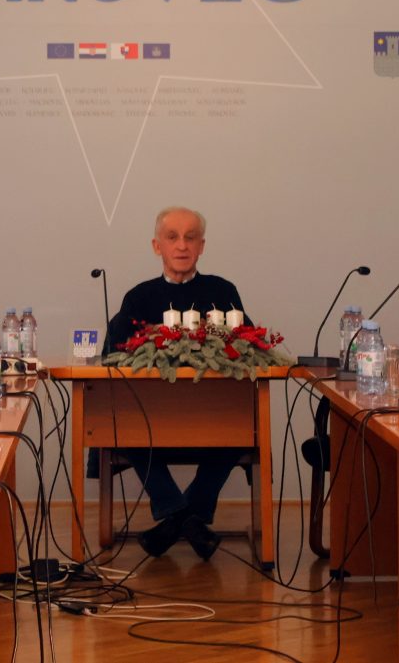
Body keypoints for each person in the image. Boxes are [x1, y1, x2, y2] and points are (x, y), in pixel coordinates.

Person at [106, 206, 250, 560]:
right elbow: (114, 352)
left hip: (212, 418)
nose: (182, 246)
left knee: (241, 425)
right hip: (154, 419)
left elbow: (249, 347)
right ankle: (188, 519)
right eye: (172, 237)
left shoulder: (222, 292)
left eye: (190, 238)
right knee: (126, 424)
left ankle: (176, 519)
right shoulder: (139, 297)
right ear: (157, 246)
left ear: (202, 246)